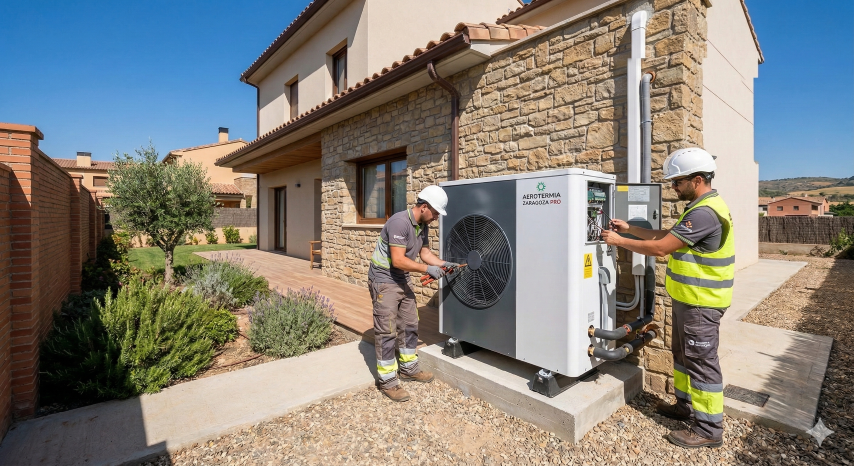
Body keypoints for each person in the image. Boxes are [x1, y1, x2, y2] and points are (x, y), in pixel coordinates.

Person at [601, 148, 734, 449]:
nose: (674, 187)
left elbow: (663, 249)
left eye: (677, 182)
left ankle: (709, 429)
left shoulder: (704, 213)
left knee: (701, 361)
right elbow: (667, 235)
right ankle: (685, 406)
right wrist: (630, 228)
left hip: (702, 303)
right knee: (683, 355)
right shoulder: (700, 207)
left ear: (697, 179)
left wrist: (618, 241)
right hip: (689, 300)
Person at [367, 185, 460, 402]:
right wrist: (428, 269)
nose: (436, 218)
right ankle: (388, 381)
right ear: (424, 207)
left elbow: (425, 252)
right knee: (386, 331)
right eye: (435, 213)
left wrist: (445, 264)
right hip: (384, 280)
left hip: (401, 278)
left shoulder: (422, 225)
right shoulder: (400, 222)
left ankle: (408, 368)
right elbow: (398, 260)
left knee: (409, 323)